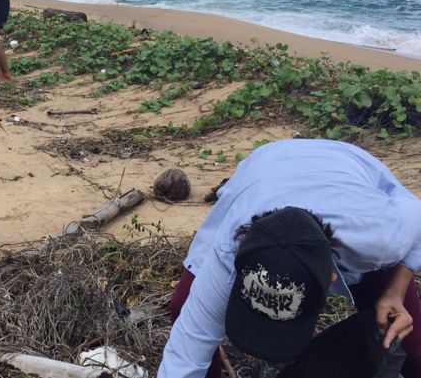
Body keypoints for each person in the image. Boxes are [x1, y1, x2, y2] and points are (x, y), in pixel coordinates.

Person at [158, 138, 421, 378]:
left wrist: (394, 293)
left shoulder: (379, 234)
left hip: (342, 165)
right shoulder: (229, 251)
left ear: (331, 278)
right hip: (263, 170)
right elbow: (182, 360)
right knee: (184, 305)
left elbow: (417, 217)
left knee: (410, 341)